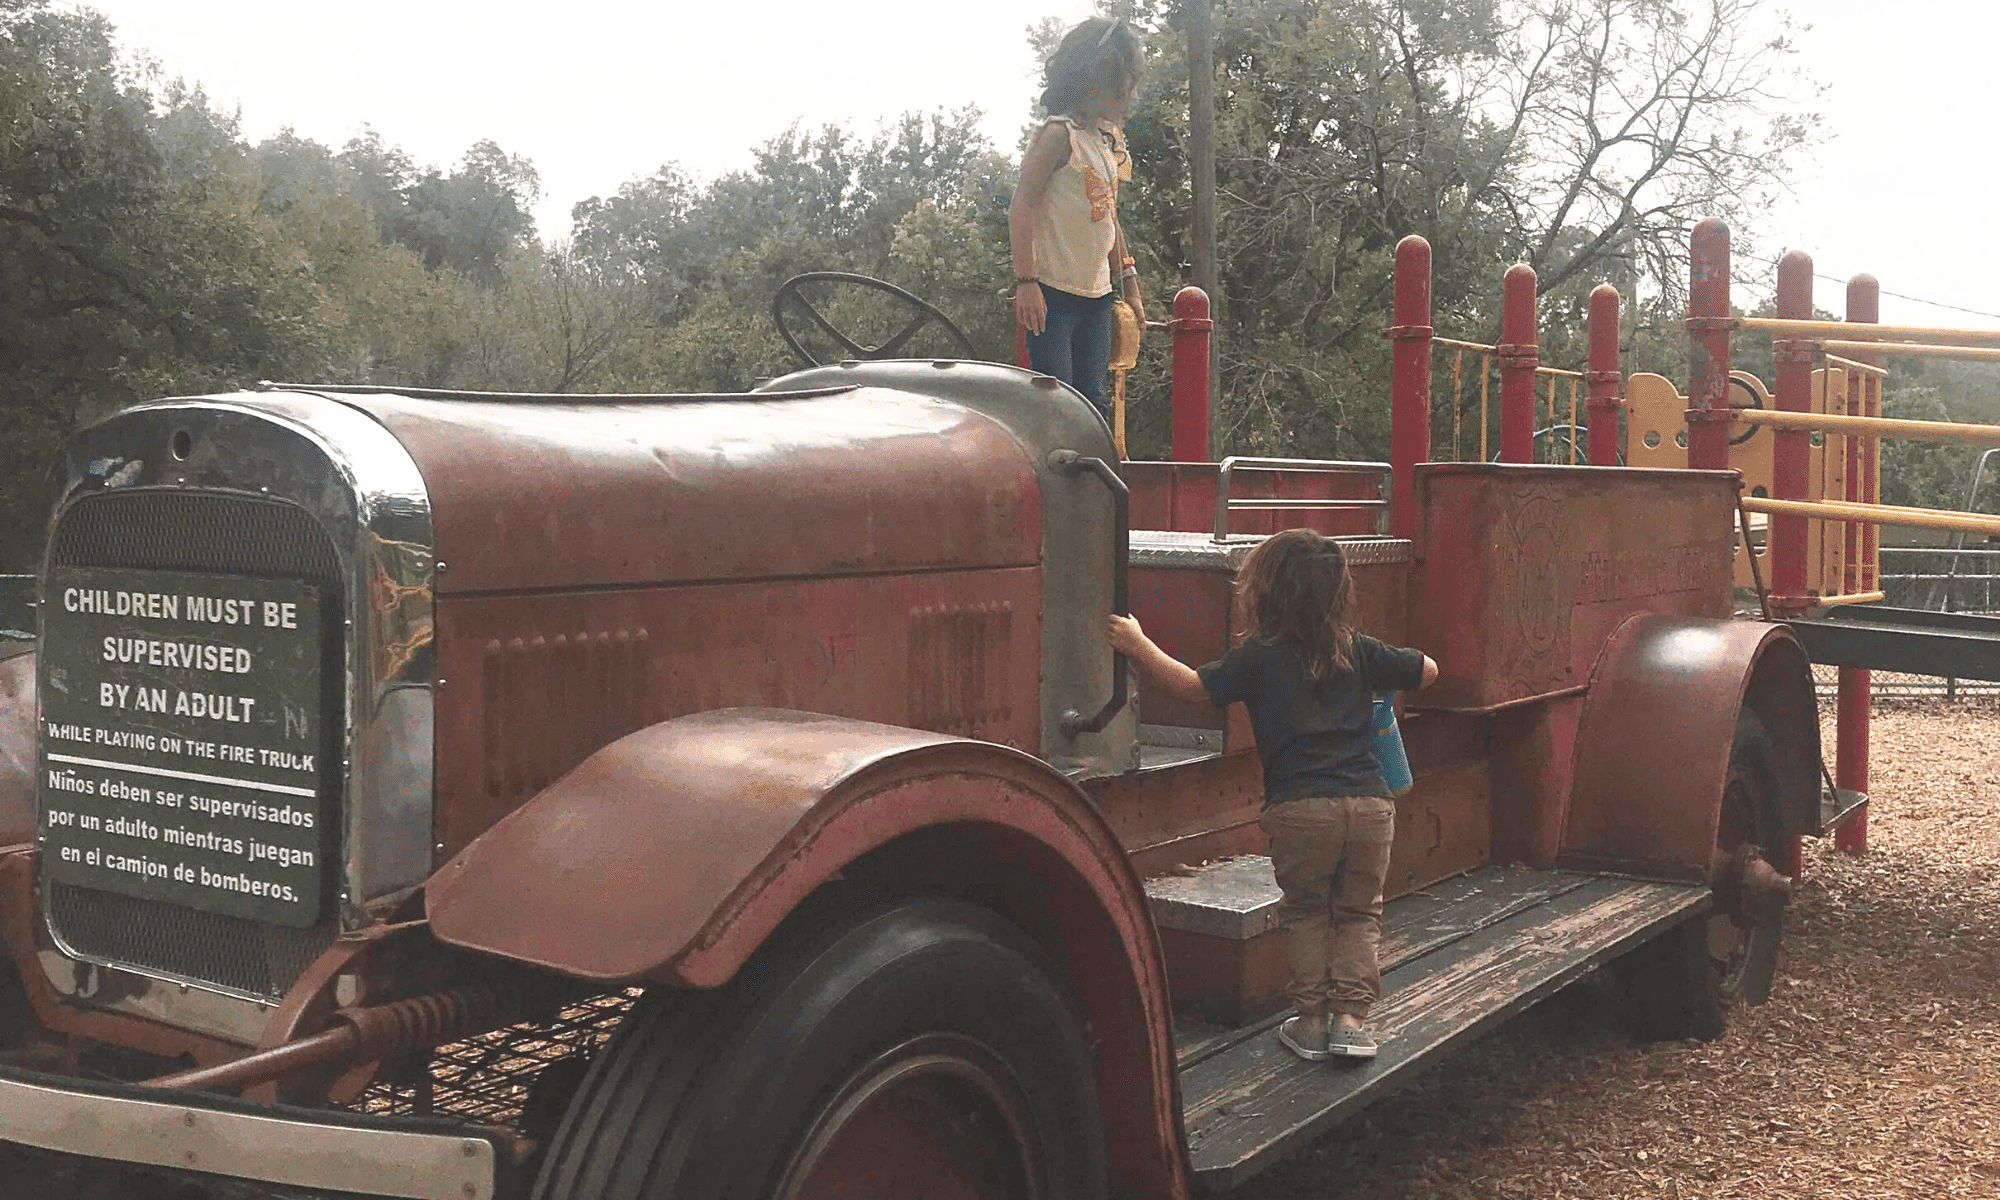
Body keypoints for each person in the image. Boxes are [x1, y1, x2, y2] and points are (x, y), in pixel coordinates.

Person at [1108, 529, 1439, 1061]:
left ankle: (1310, 1025)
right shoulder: (1359, 650)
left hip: (1301, 807)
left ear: (1267, 592)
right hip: (1371, 804)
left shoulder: (1259, 657)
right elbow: (1427, 670)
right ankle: (1351, 1024)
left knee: (1307, 912)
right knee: (1358, 914)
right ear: (1338, 594)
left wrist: (1136, 643)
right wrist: (1383, 679)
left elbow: (1194, 687)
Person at [1009, 16, 1147, 426]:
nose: (1130, 94)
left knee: (1094, 401)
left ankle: (1096, 488)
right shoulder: (1058, 135)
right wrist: (1026, 281)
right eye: (1123, 83)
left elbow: (1109, 218)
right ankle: (1056, 488)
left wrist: (1131, 284)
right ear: (1096, 78)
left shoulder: (1106, 142)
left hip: (1097, 296)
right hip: (1052, 293)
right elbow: (1022, 205)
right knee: (1057, 402)